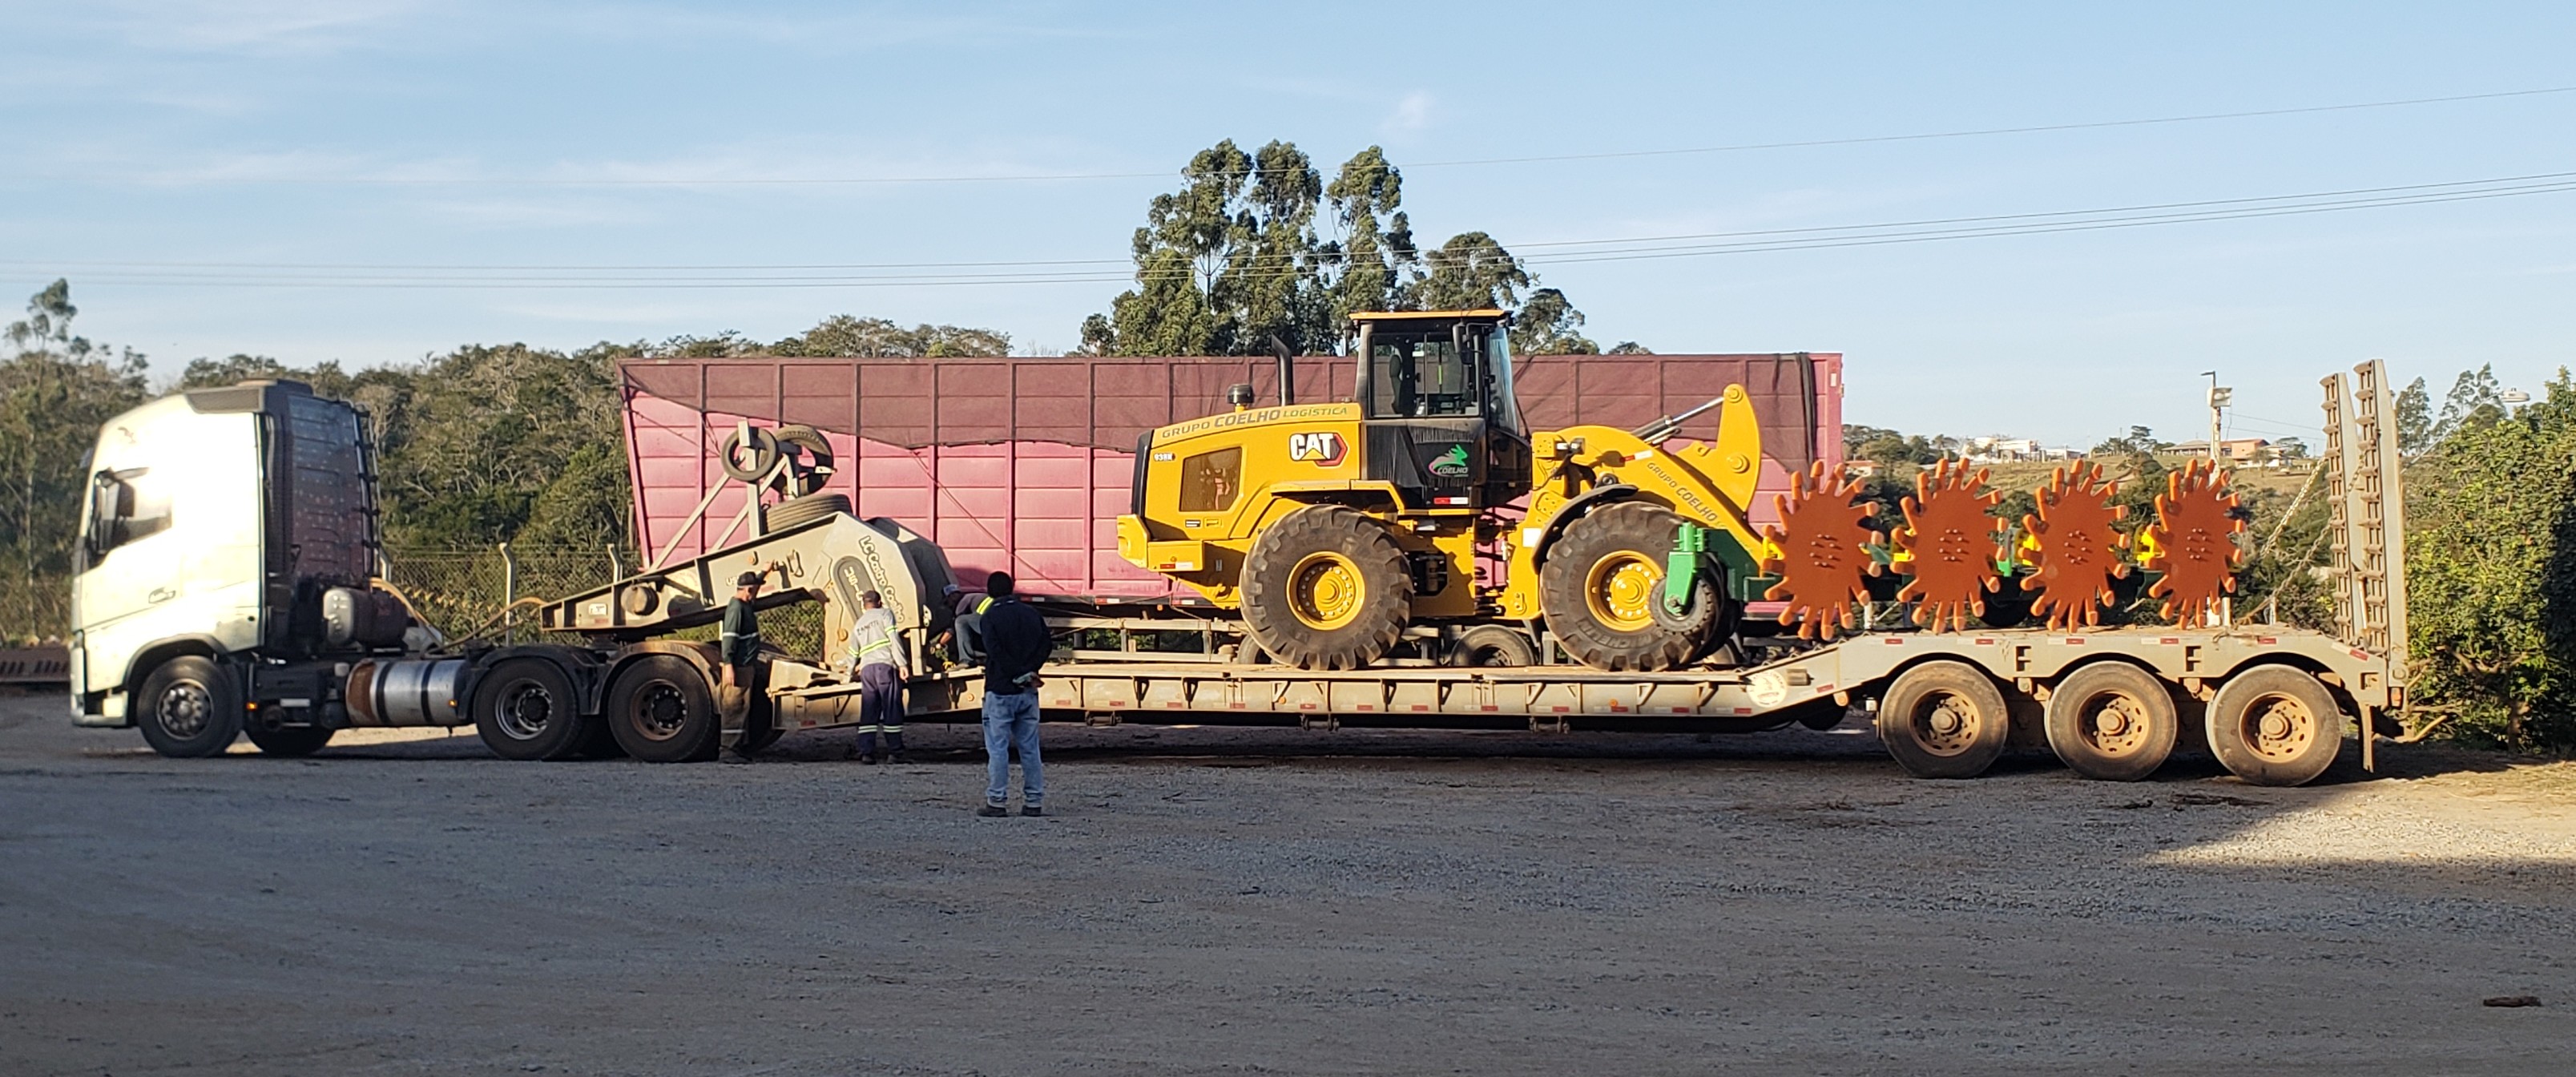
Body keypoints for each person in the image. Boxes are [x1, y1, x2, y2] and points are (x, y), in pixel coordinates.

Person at [975, 571, 1050, 817]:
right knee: (1030, 747)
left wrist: (1014, 672)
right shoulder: (1031, 614)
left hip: (1000, 690)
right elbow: (1046, 645)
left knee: (998, 748)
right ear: (1012, 588)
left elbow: (994, 651)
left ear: (990, 592)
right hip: (1027, 690)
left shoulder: (990, 617)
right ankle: (1034, 802)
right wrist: (1029, 671)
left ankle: (997, 801)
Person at [843, 589, 909, 764]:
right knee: (891, 708)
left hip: (867, 671)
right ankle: (895, 752)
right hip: (885, 667)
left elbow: (852, 653)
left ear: (864, 606)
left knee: (869, 711)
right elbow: (894, 639)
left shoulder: (858, 624)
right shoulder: (885, 614)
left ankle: (866, 753)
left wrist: (847, 676)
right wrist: (902, 665)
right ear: (879, 602)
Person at [719, 570, 767, 761]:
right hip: (738, 666)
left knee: (744, 706)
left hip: (746, 665)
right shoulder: (736, 608)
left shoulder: (746, 604)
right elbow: (729, 638)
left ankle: (738, 746)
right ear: (747, 590)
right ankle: (728, 749)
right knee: (734, 706)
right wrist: (729, 664)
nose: (756, 594)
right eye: (754, 590)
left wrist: (765, 572)